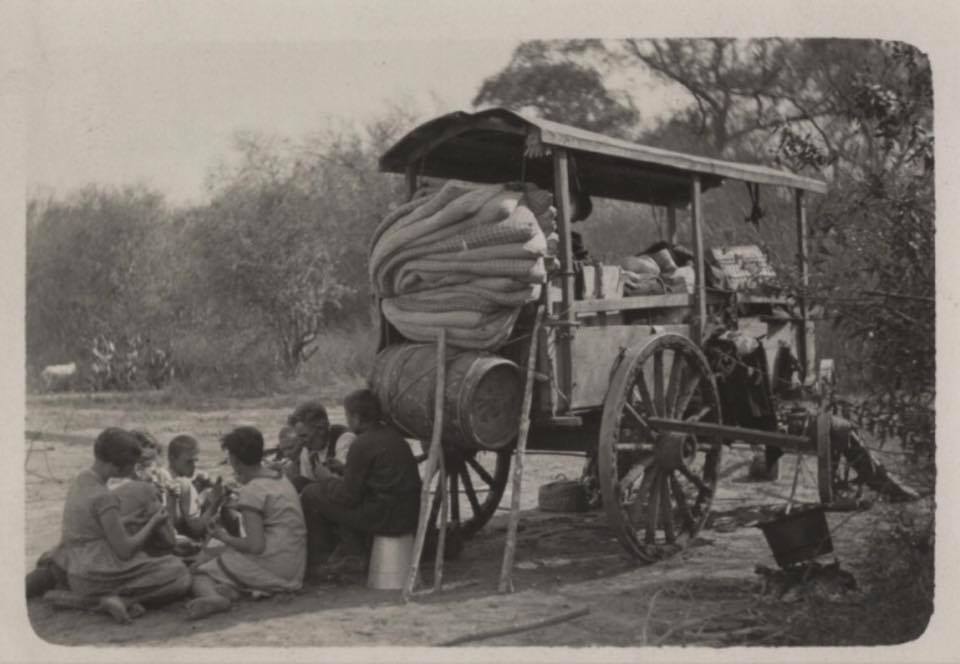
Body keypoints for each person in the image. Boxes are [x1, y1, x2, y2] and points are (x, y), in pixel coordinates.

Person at [41, 428, 191, 624]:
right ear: (116, 467)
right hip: (96, 571)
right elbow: (125, 551)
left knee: (165, 566)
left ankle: (78, 598)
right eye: (132, 466)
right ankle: (120, 600)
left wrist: (128, 521)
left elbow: (89, 526)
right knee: (179, 573)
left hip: (75, 564)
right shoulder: (104, 497)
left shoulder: (82, 479)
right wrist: (153, 523)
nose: (133, 470)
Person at [187, 426, 307, 620]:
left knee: (198, 572)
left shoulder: (253, 490)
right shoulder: (279, 477)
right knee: (219, 553)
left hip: (277, 566)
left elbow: (255, 546)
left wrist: (221, 535)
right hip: (294, 561)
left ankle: (214, 598)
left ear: (234, 460)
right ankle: (234, 589)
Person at [300, 389, 422, 577]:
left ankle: (327, 559)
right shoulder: (391, 435)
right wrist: (343, 470)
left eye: (348, 415)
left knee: (311, 493)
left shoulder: (362, 443)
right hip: (408, 511)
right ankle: (351, 552)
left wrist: (327, 479)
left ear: (356, 417)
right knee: (327, 493)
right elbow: (376, 478)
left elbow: (349, 496)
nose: (347, 421)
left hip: (388, 517)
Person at [288, 400, 357, 491]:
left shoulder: (344, 439)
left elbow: (345, 484)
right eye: (299, 437)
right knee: (298, 482)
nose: (301, 442)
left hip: (343, 493)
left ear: (321, 429)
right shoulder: (307, 449)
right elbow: (306, 483)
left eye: (304, 436)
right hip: (325, 492)